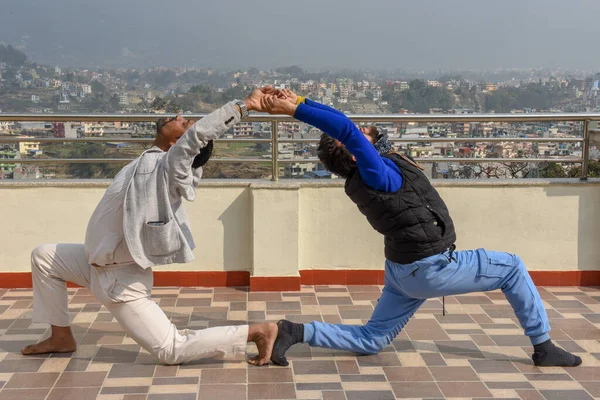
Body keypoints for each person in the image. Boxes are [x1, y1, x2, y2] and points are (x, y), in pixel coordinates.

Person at [260, 89, 582, 368]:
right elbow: (346, 129)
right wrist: (294, 110)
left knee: (372, 339)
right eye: (360, 136)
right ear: (358, 154)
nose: (364, 129)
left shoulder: (369, 175)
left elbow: (343, 122)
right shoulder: (378, 175)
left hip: (402, 272)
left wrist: (301, 99)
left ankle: (294, 332)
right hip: (430, 268)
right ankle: (543, 347)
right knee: (512, 268)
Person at [22, 89, 277, 366]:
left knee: (172, 350)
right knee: (44, 256)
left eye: (184, 123)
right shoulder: (150, 159)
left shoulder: (171, 166)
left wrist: (246, 105)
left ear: (179, 143)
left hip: (119, 280)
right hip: (92, 262)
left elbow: (199, 136)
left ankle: (257, 332)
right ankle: (61, 337)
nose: (180, 117)